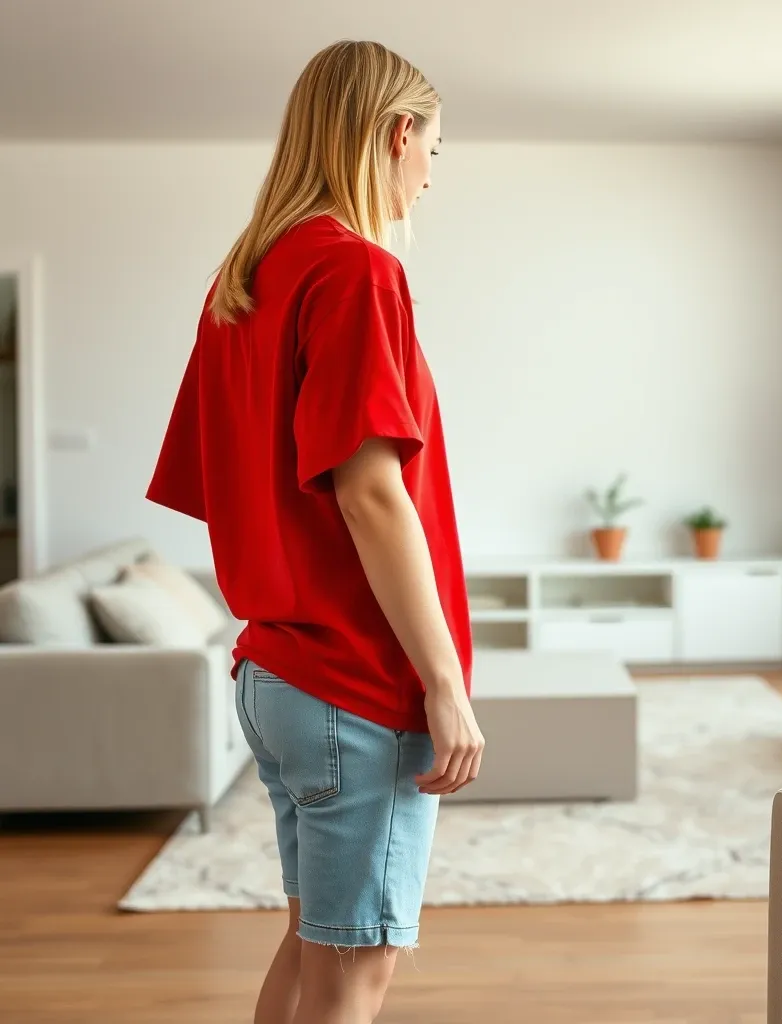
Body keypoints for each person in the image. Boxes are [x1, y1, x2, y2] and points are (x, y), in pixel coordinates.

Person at [146, 39, 484, 1024]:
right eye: (432, 149)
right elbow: (370, 495)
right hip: (352, 684)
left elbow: (234, 488)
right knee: (355, 972)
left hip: (279, 675)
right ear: (396, 132)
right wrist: (444, 683)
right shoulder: (355, 270)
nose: (429, 174)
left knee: (313, 945)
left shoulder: (241, 282)